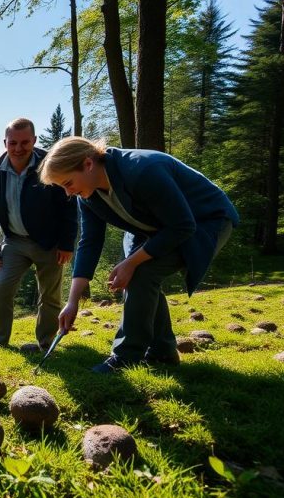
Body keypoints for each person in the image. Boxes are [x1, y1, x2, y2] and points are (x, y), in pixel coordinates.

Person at [39, 137, 239, 373]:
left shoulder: (142, 170)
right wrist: (72, 302)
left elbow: (183, 225)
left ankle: (126, 356)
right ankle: (163, 352)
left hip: (205, 220)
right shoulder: (88, 194)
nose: (68, 192)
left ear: (88, 164)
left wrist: (131, 263)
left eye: (68, 183)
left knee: (141, 271)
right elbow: (90, 242)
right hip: (153, 227)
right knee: (140, 275)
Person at [0, 117, 78, 353]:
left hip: (49, 243)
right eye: (13, 143)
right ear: (5, 143)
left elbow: (68, 207)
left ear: (34, 140)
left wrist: (66, 243)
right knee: (1, 289)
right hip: (14, 242)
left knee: (50, 296)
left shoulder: (49, 167)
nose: (18, 148)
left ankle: (46, 343)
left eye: (24, 142)